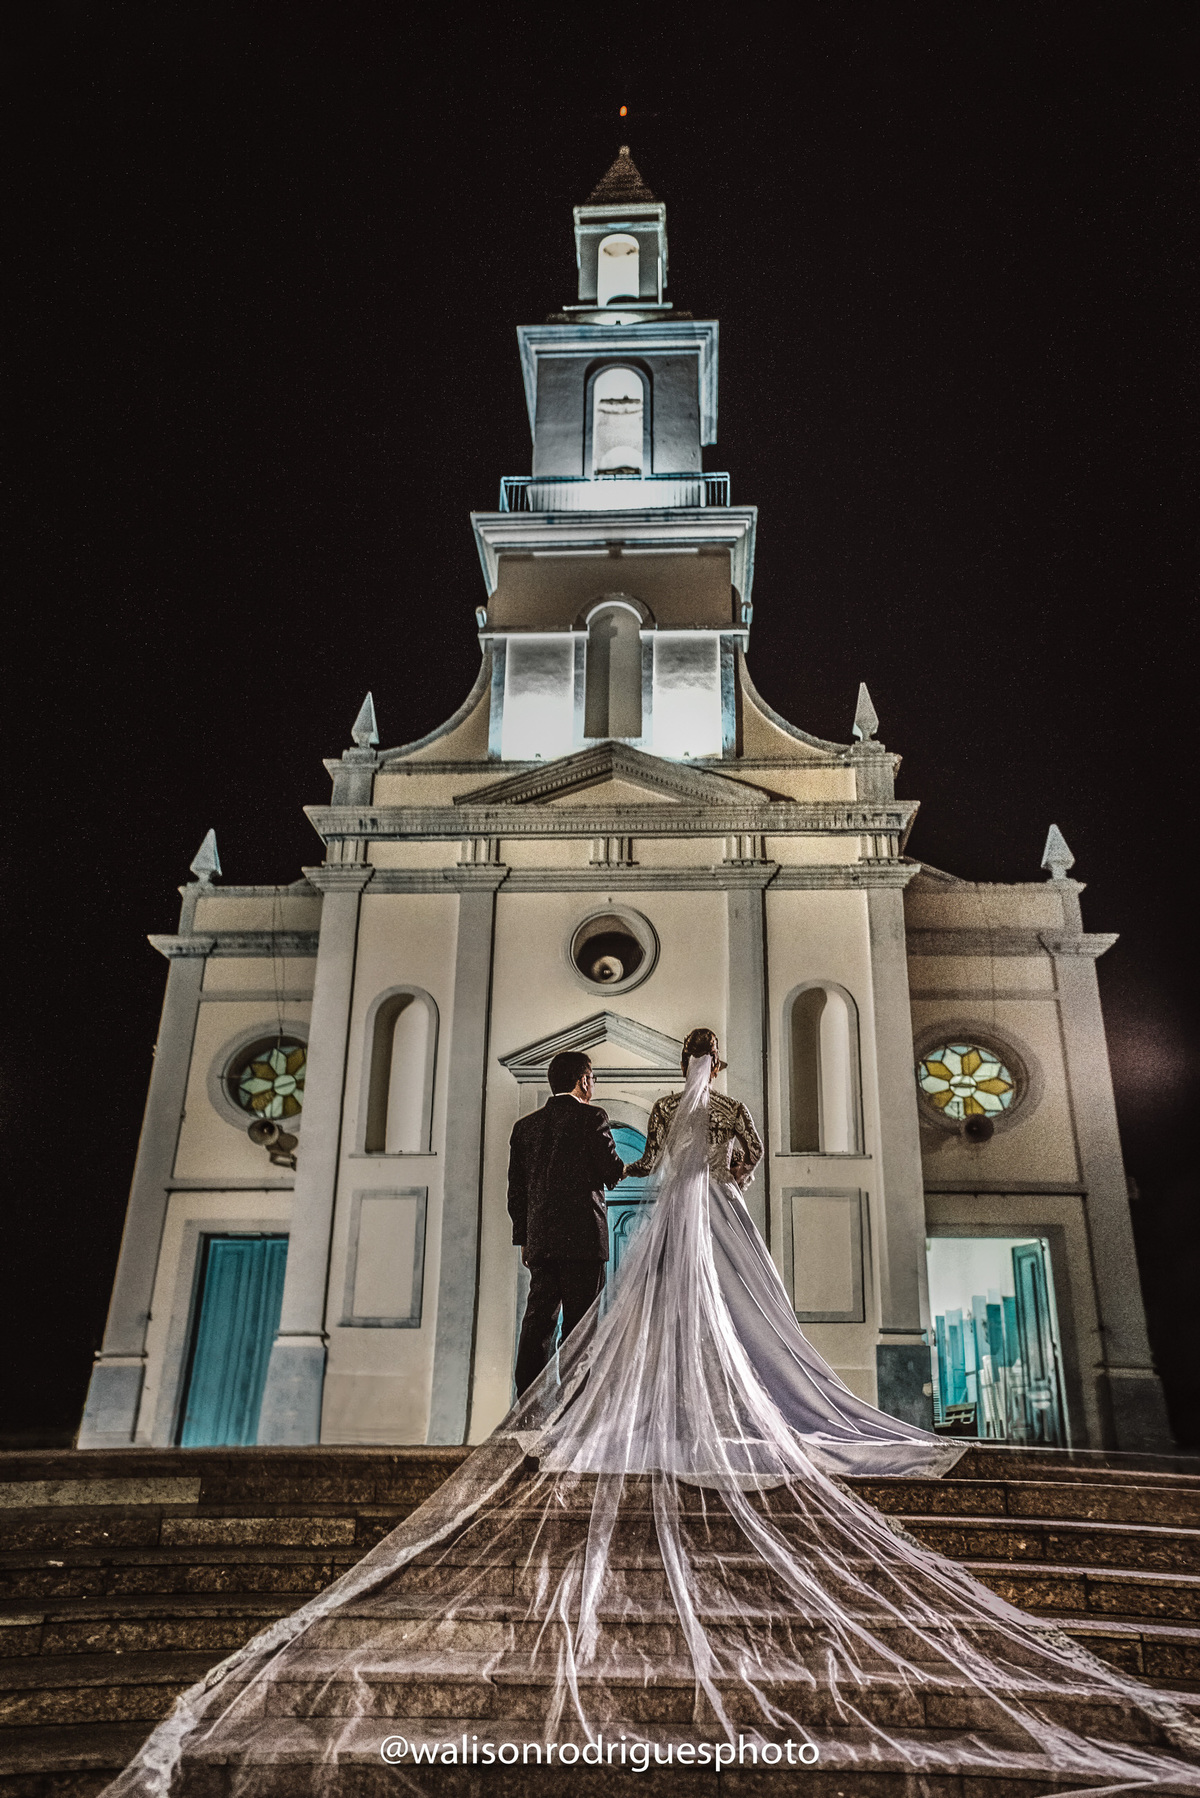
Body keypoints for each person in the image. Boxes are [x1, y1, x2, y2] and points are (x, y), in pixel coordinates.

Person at [106, 1034, 1200, 1794]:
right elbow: (648, 1159)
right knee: (603, 1319)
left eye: (701, 1064)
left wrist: (669, 1165)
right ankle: (569, 1399)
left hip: (616, 1227)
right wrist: (644, 1160)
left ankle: (558, 1403)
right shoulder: (642, 1120)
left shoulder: (655, 1117)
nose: (698, 1073)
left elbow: (663, 1161)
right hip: (612, 1229)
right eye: (698, 1064)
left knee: (604, 1321)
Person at [507, 1048, 626, 1395]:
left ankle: (528, 1403)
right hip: (584, 1241)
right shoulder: (592, 1118)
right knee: (580, 1326)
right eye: (592, 1078)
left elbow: (516, 1192)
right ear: (584, 1080)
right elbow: (610, 1172)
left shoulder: (525, 1127)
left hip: (541, 1241)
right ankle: (574, 1402)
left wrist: (525, 1239)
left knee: (538, 1322)